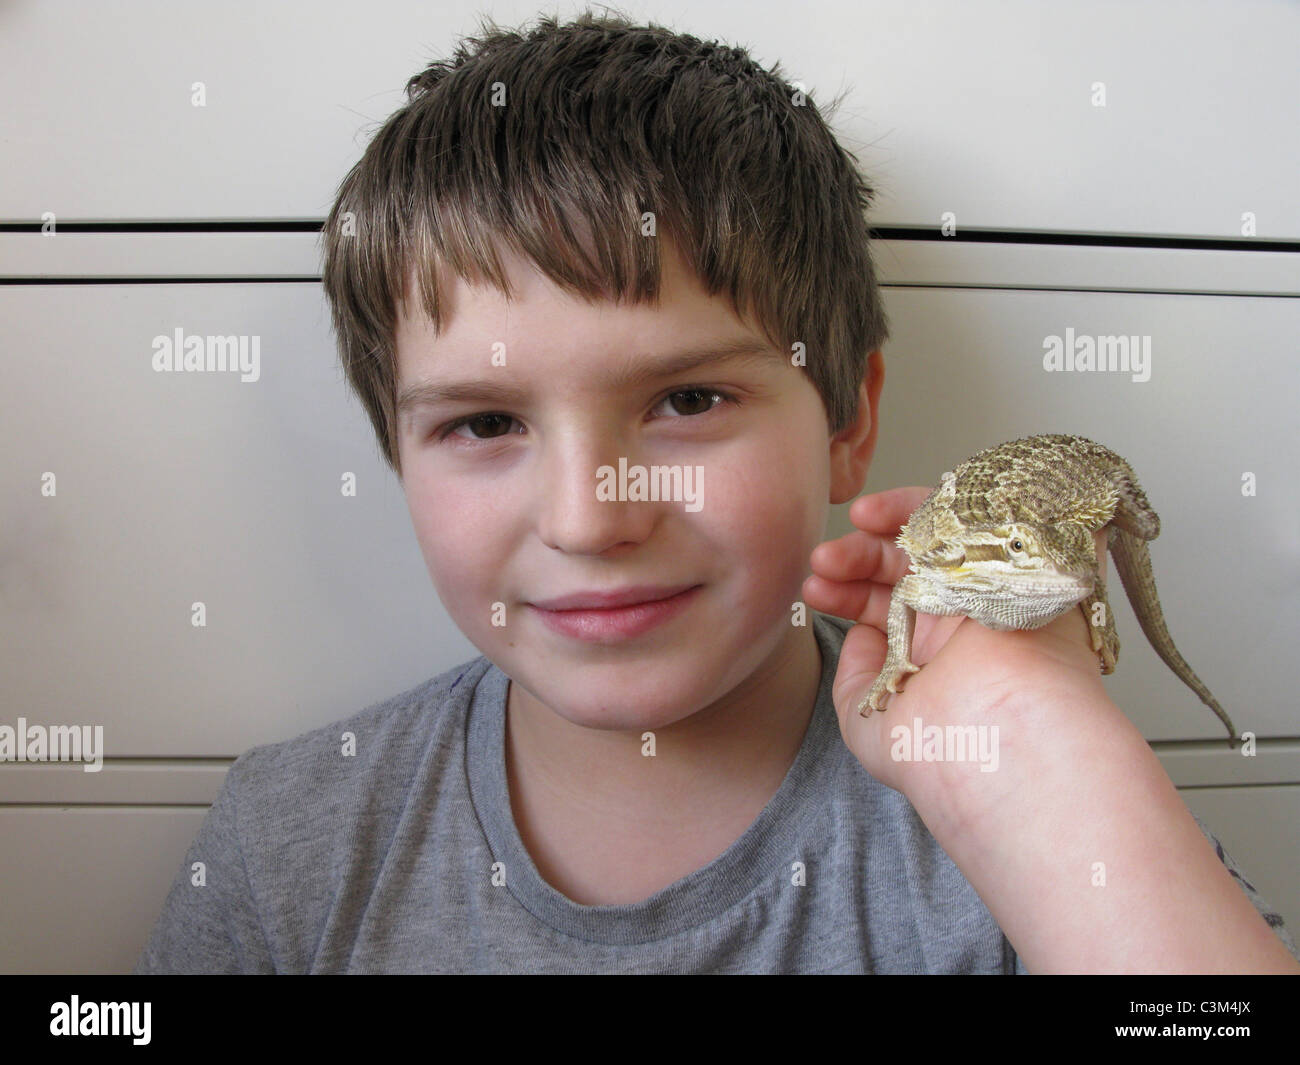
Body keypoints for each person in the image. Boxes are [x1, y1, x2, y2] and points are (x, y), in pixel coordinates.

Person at [136, 8, 1299, 974]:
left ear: (846, 424)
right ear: (396, 456)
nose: (590, 520)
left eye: (687, 401)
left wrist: (1043, 765)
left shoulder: (1020, 833)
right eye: (484, 423)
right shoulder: (289, 845)